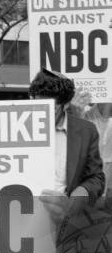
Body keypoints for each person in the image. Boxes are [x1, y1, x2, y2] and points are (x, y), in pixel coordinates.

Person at [30, 69, 105, 223]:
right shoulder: (18, 126)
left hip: (68, 221)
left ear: (64, 105)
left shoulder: (86, 131)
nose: (42, 112)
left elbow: (96, 178)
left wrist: (76, 199)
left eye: (50, 107)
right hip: (27, 216)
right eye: (38, 104)